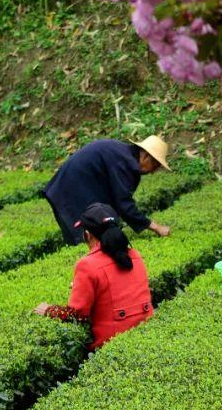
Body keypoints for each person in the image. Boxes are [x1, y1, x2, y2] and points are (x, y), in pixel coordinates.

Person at [32, 203, 155, 350]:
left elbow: (77, 314)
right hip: (145, 333)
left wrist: (49, 310)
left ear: (87, 234)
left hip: (112, 345)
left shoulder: (87, 265)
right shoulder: (135, 255)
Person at [42, 135, 174, 246]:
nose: (153, 171)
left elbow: (116, 200)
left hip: (69, 187)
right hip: (70, 191)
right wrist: (156, 227)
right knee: (83, 237)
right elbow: (124, 204)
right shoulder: (126, 163)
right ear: (145, 156)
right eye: (155, 165)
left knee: (93, 229)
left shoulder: (124, 155)